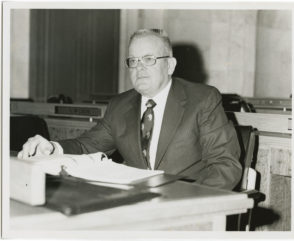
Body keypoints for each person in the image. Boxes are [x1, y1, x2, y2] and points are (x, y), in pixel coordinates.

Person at [18, 29, 242, 190]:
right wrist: (52, 147)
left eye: (148, 59)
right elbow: (87, 145)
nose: (139, 67)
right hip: (135, 204)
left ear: (170, 65)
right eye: (133, 61)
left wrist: (182, 204)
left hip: (187, 208)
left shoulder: (202, 99)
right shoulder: (120, 105)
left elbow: (225, 166)